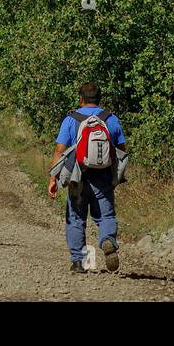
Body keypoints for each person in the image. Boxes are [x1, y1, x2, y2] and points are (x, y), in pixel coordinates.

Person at [48, 82, 127, 274]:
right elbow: (122, 151)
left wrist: (53, 178)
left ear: (81, 99)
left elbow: (60, 150)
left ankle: (78, 262)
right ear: (99, 99)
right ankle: (107, 239)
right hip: (103, 177)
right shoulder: (111, 119)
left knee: (75, 218)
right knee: (106, 216)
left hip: (77, 176)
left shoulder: (71, 119)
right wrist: (116, 177)